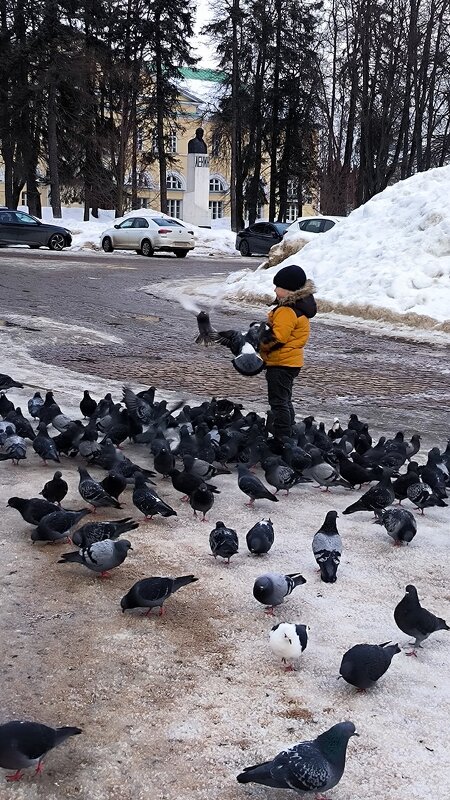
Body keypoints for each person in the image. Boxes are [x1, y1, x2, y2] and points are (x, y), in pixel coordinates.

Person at [259, 264, 317, 442]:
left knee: (278, 402)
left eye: (278, 287)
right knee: (285, 400)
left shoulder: (286, 310)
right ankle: (289, 431)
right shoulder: (300, 306)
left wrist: (259, 343)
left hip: (281, 363)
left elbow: (278, 337)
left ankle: (283, 437)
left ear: (288, 290)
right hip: (291, 362)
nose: (274, 289)